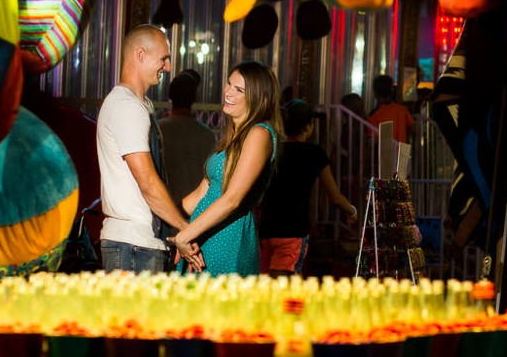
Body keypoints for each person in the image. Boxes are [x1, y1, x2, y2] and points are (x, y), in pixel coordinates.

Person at [96, 24, 201, 273]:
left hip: (136, 244)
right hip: (132, 246)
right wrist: (185, 230)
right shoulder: (127, 107)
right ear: (140, 55)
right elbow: (148, 183)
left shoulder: (136, 105)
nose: (168, 67)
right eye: (163, 58)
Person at [172, 61, 281, 275]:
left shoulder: (260, 133)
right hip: (201, 233)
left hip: (228, 236)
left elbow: (233, 199)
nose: (227, 92)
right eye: (229, 84)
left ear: (257, 98)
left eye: (238, 90)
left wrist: (185, 235)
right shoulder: (232, 136)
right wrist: (166, 217)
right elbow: (201, 193)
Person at [259, 101, 360, 274]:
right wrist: (351, 211)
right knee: (286, 289)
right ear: (308, 126)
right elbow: (335, 197)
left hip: (266, 229)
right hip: (293, 230)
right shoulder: (314, 154)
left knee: (265, 286)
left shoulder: (273, 150)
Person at [159, 68, 216, 204]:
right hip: (196, 208)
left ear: (170, 95)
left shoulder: (158, 130)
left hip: (166, 206)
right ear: (194, 98)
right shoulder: (206, 135)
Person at [369, 73, 414, 144]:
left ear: (375, 93)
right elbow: (412, 127)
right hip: (403, 151)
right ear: (391, 91)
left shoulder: (374, 115)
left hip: (387, 153)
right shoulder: (402, 109)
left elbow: (374, 139)